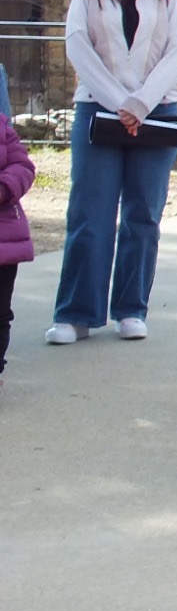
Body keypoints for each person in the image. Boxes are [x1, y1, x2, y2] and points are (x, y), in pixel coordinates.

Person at [48, 0, 177, 345]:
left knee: (143, 214)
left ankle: (131, 309)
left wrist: (142, 103)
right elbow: (77, 45)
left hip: (157, 111)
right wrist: (120, 102)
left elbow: (176, 52)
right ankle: (76, 314)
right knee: (90, 214)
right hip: (98, 110)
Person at [0, 107, 36, 397]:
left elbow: (23, 166)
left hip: (3, 241)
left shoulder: (1, 127)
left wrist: (4, 187)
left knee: (0, 312)